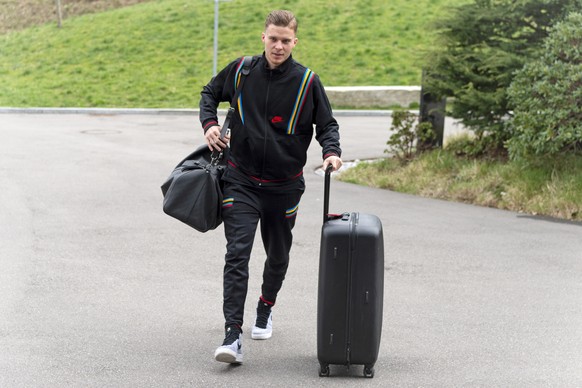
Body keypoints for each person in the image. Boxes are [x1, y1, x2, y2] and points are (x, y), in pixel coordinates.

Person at [199, 9, 342, 365]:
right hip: (241, 179)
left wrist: (332, 152)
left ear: (295, 42)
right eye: (273, 38)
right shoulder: (242, 70)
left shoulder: (308, 82)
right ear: (263, 37)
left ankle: (265, 308)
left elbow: (327, 124)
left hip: (284, 187)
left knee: (278, 256)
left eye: (285, 40)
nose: (278, 46)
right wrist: (209, 125)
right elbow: (209, 93)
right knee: (237, 254)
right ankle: (232, 336)